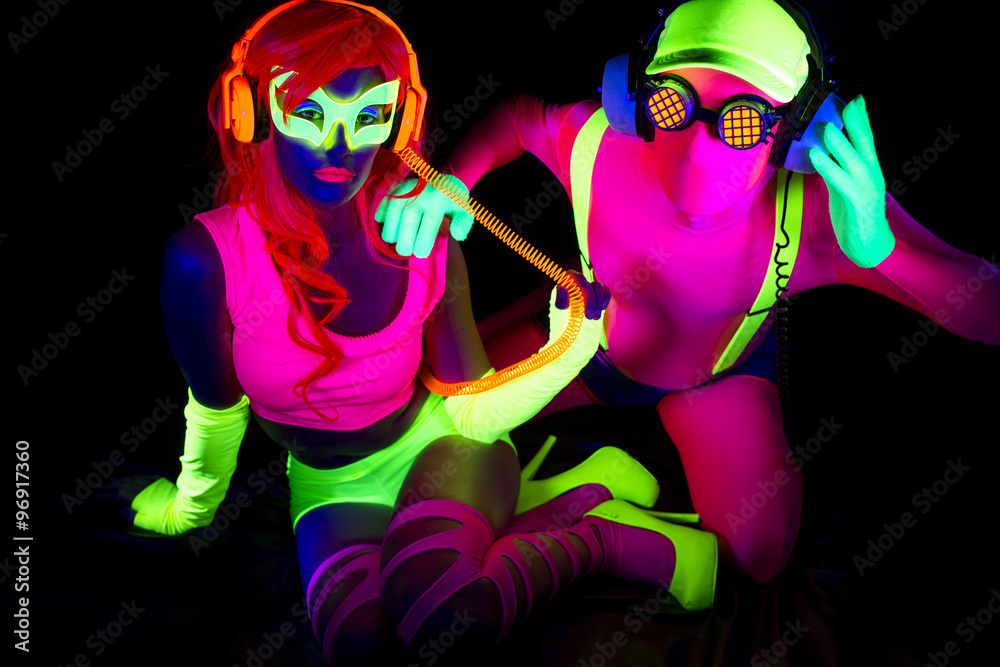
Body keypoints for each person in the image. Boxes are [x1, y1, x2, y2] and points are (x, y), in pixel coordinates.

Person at [103, 2, 719, 664]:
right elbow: (216, 412)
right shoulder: (204, 261)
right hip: (330, 488)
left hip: (447, 449)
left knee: (448, 618)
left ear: (399, 118)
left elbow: (474, 411)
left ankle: (609, 538)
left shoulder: (417, 227)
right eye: (307, 113)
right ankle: (570, 493)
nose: (340, 146)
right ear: (250, 110)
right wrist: (190, 509)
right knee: (363, 648)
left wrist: (572, 345)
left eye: (369, 116)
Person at [379, 0, 1000, 586]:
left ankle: (605, 529)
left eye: (743, 118)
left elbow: (990, 313)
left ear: (800, 130)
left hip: (715, 380)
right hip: (585, 342)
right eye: (674, 101)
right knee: (421, 444)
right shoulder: (593, 144)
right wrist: (451, 180)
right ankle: (582, 488)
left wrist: (883, 249)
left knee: (757, 553)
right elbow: (519, 117)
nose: (700, 143)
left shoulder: (822, 213)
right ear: (635, 97)